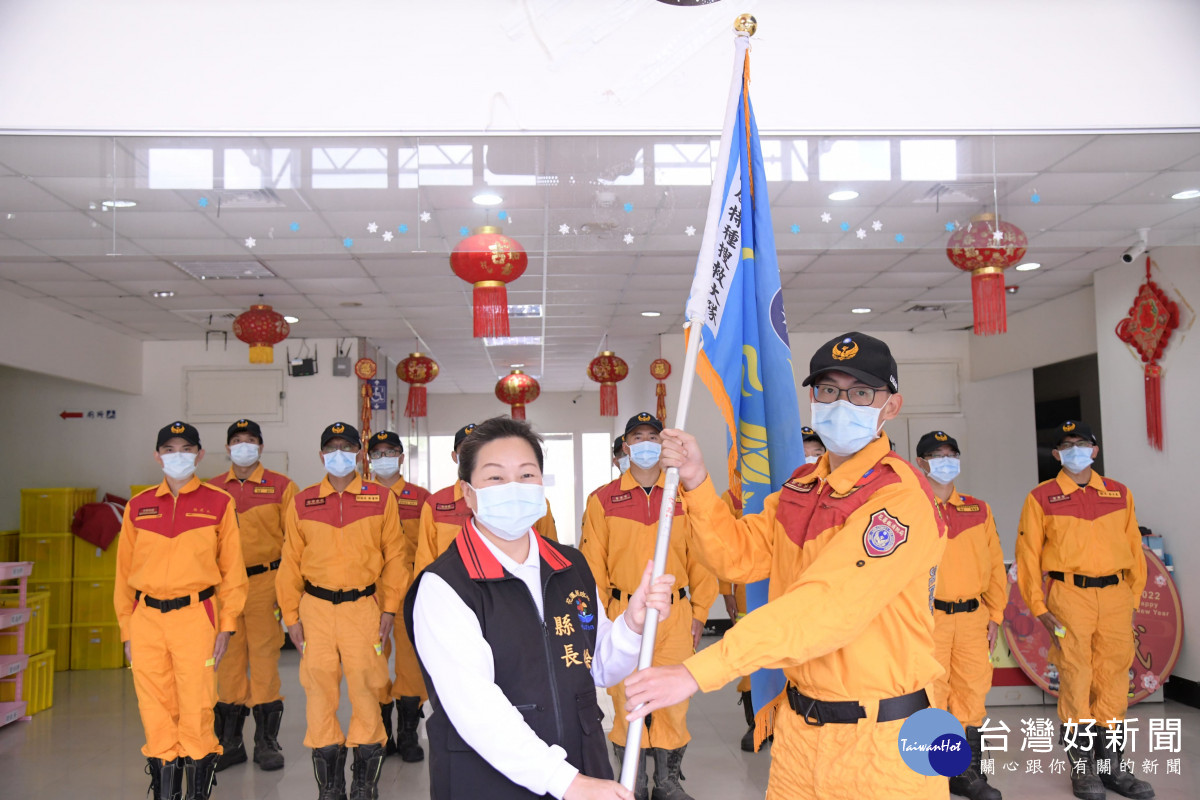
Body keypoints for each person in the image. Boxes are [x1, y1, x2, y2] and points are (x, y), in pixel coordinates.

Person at [624, 332, 949, 800]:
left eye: (860, 393)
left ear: (890, 406)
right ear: (812, 399)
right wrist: (697, 480)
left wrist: (698, 671)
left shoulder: (898, 497)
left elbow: (825, 608)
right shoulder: (803, 487)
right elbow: (738, 556)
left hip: (886, 741)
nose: (842, 404)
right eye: (828, 391)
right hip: (800, 733)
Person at [405, 416, 677, 800]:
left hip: (582, 763)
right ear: (468, 493)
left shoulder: (569, 566)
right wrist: (567, 783)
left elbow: (598, 667)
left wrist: (632, 625)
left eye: (527, 474)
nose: (513, 487)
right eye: (495, 477)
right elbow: (475, 708)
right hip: (488, 780)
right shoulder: (445, 586)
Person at [580, 412, 718, 800]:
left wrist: (702, 612)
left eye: (653, 436)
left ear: (664, 444)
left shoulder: (683, 496)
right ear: (626, 446)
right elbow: (593, 566)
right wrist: (600, 620)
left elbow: (702, 558)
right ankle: (633, 783)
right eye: (637, 436)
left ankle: (668, 784)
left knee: (674, 701)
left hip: (675, 615)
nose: (645, 443)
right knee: (628, 698)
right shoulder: (603, 500)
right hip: (623, 614)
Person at [1015, 421, 1152, 800]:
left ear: (1094, 450)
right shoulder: (1041, 497)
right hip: (1068, 597)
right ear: (1057, 454)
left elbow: (1135, 550)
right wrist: (1038, 606)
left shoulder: (1119, 494)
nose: (1074, 450)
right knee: (1076, 678)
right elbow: (1027, 558)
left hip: (1115, 597)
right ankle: (1083, 769)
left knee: (1113, 678)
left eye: (1081, 443)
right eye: (1066, 445)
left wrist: (1133, 597)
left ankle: (1113, 769)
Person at [115, 421, 247, 800]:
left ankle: (197, 793)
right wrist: (127, 631)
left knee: (197, 706)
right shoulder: (138, 506)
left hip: (197, 615)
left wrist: (227, 624)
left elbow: (233, 572)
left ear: (200, 455)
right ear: (157, 456)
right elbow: (123, 576)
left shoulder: (219, 502)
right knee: (154, 708)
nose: (178, 456)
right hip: (146, 619)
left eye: (186, 449)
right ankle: (165, 791)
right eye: (169, 449)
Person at [276, 422, 407, 800]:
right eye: (331, 448)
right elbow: (290, 562)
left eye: (346, 446)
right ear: (321, 456)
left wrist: (389, 608)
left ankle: (364, 784)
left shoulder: (380, 500)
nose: (339, 454)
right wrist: (290, 616)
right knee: (318, 691)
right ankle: (330, 786)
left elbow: (396, 558)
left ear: (358, 454)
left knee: (368, 688)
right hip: (314, 609)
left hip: (364, 608)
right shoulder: (301, 502)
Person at [719, 425, 826, 753]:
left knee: (798, 657)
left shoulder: (827, 494)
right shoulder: (742, 494)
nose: (809, 456)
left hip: (802, 591)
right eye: (803, 450)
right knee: (754, 658)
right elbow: (728, 545)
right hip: (751, 591)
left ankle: (796, 721)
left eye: (815, 451)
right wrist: (726, 593)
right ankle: (758, 723)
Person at [915, 430, 1005, 800]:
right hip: (927, 618)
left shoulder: (978, 509)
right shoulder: (911, 507)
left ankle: (968, 773)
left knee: (971, 690)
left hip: (972, 616)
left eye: (951, 453)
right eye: (937, 454)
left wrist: (996, 615)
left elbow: (996, 566)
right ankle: (935, 772)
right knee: (931, 692)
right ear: (921, 463)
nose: (945, 460)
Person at [208, 419, 297, 773]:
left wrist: (287, 591)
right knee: (226, 661)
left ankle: (266, 741)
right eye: (236, 440)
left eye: (250, 440)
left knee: (263, 660)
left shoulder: (281, 486)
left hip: (265, 583)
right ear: (227, 448)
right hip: (224, 587)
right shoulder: (212, 489)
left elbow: (294, 543)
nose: (243, 446)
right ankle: (230, 742)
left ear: (260, 447)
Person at [364, 430, 432, 762]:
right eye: (377, 453)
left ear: (402, 457)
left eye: (390, 452)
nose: (384, 458)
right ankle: (380, 732)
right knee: (372, 659)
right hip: (369, 589)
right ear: (369, 459)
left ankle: (407, 735)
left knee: (409, 661)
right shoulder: (360, 496)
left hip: (409, 588)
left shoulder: (421, 499)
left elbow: (429, 549)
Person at [413, 423, 558, 575]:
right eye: (466, 451)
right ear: (455, 457)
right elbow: (425, 563)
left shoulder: (530, 500)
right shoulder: (436, 504)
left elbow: (551, 552)